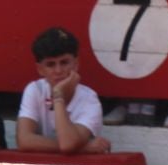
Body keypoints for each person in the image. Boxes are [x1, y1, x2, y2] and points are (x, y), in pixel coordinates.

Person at [16, 26, 110, 155]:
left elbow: (67, 144)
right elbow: (24, 141)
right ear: (40, 69)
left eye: (64, 62)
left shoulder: (89, 99)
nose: (58, 71)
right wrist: (82, 148)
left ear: (76, 64)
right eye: (51, 64)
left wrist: (58, 95)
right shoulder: (35, 89)